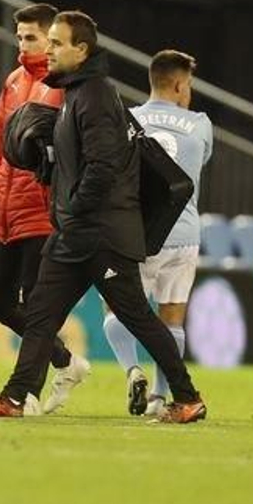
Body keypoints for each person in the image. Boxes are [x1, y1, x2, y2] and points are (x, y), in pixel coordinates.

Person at [0, 12, 207, 423]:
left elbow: (104, 167)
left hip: (102, 232)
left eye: (57, 43)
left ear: (82, 50)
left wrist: (73, 206)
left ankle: (187, 396)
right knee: (40, 313)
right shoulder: (79, 92)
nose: (49, 51)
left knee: (137, 316)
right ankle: (15, 397)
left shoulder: (93, 95)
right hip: (77, 232)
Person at [93, 49, 213, 418]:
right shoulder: (201, 124)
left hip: (138, 234)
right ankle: (162, 398)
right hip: (185, 234)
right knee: (172, 318)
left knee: (117, 307)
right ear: (179, 85)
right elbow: (197, 166)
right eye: (188, 85)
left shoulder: (129, 119)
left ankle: (132, 369)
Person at [0, 2, 73, 380]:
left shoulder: (63, 87)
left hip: (41, 213)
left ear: (51, 39)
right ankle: (66, 362)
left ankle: (27, 392)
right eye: (20, 37)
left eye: (31, 38)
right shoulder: (13, 81)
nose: (23, 45)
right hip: (6, 213)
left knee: (35, 306)